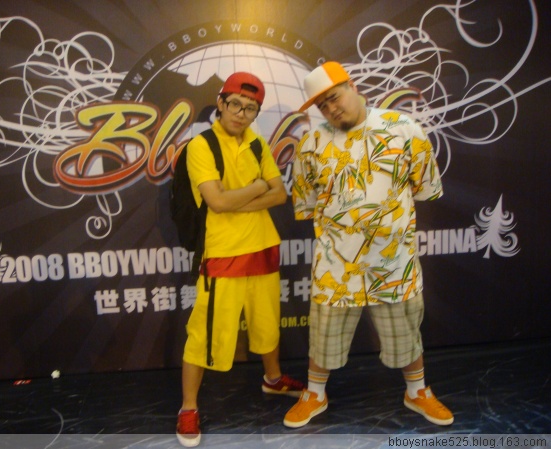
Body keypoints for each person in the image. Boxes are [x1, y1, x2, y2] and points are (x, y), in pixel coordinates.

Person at [284, 61, 453, 428]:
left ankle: (417, 391)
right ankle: (314, 393)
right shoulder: (311, 145)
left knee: (405, 331)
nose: (331, 109)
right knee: (323, 334)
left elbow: (425, 187)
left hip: (393, 261)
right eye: (322, 106)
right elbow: (307, 202)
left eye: (334, 97)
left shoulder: (404, 129)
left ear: (353, 86)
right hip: (336, 262)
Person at [177, 72, 304, 447]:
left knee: (267, 325)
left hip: (263, 249)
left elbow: (280, 195)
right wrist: (257, 187)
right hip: (222, 254)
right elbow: (216, 202)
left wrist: (239, 199)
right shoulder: (201, 146)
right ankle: (188, 407)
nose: (241, 113)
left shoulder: (257, 143)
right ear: (220, 103)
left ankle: (273, 379)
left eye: (250, 108)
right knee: (205, 335)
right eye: (235, 104)